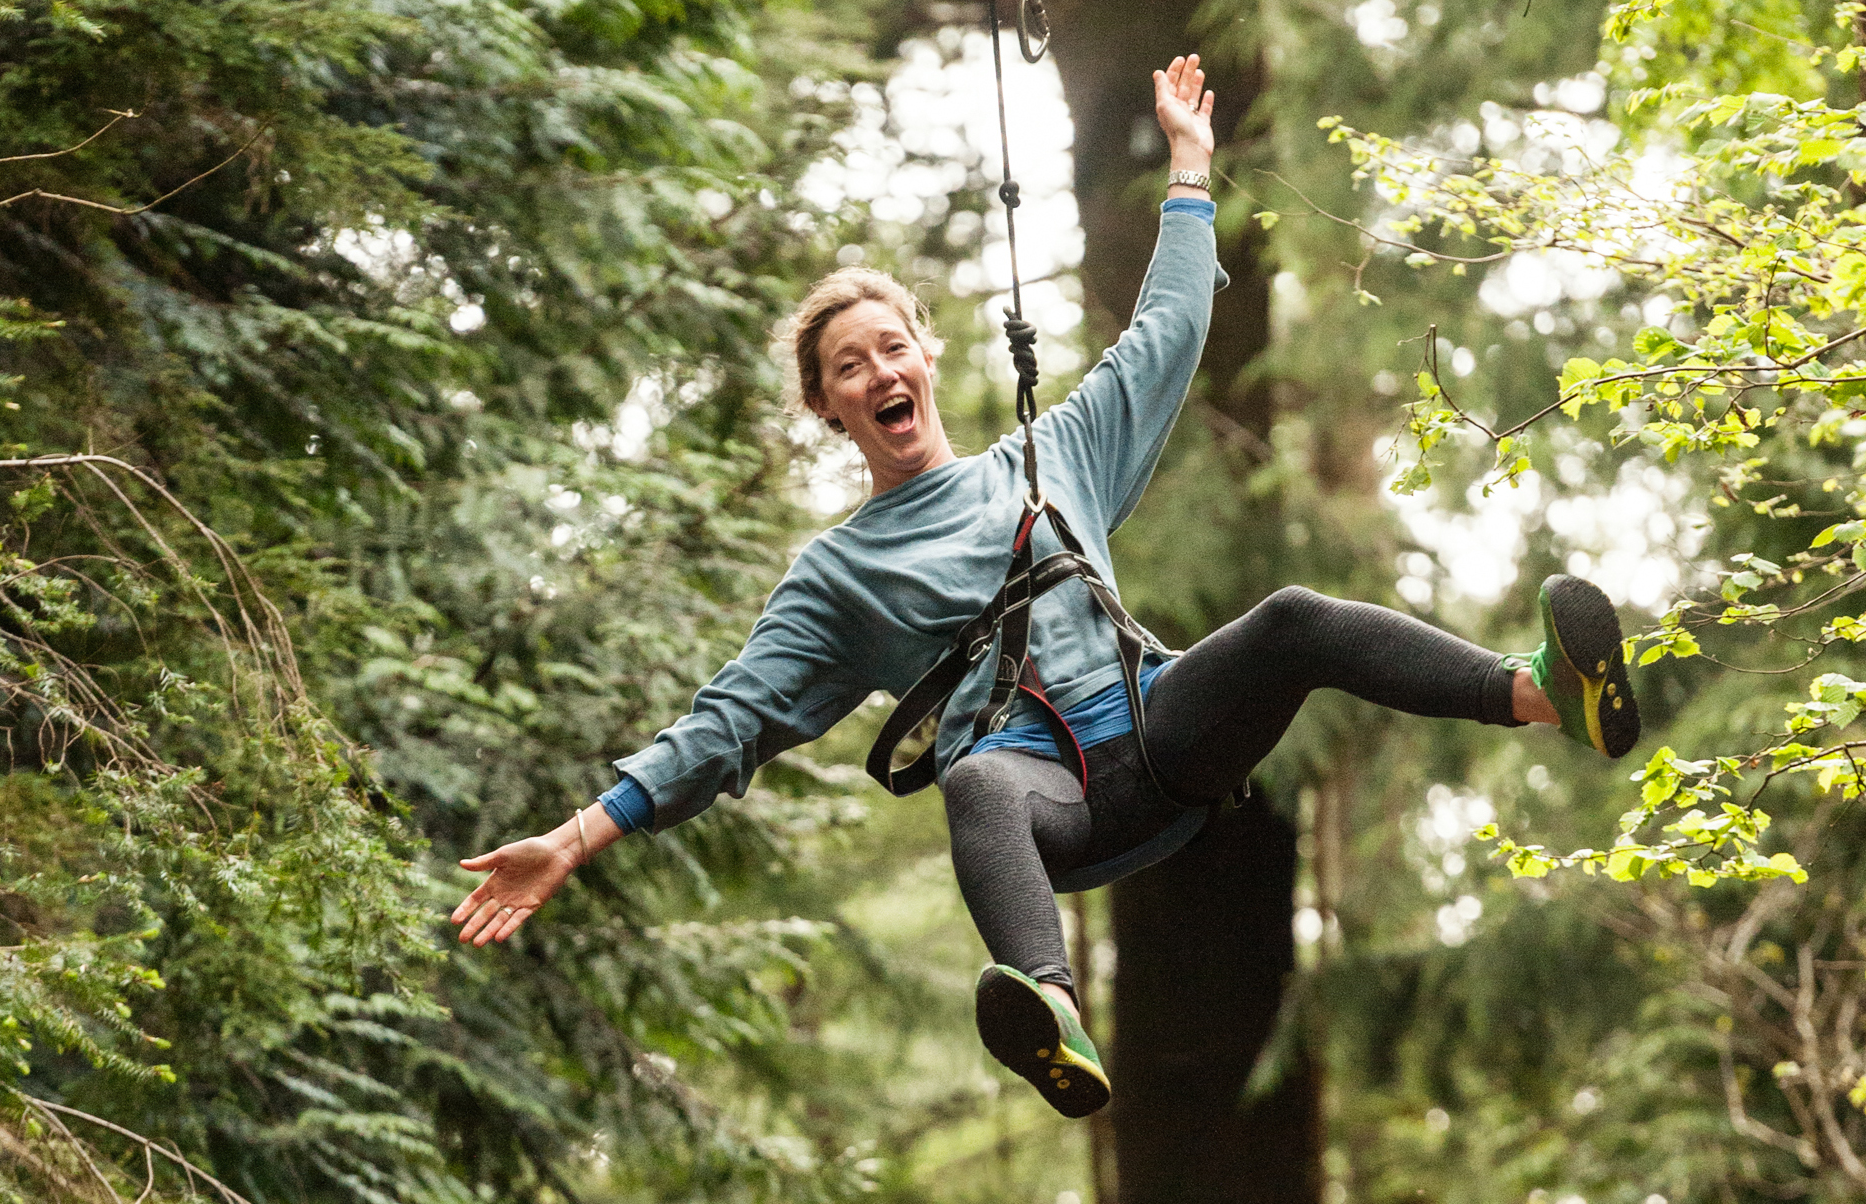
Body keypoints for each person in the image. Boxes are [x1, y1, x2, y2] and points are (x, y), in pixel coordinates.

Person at [449, 54, 1640, 1119]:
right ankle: (1052, 1008)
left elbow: (1167, 331)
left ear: (927, 356)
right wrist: (579, 834)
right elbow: (731, 721)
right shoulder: (835, 575)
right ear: (829, 408)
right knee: (972, 775)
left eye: (891, 348)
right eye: (847, 368)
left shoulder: (1052, 452)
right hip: (1043, 804)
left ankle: (1541, 694)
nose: (878, 373)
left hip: (1165, 739)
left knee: (1291, 621)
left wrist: (1188, 169)